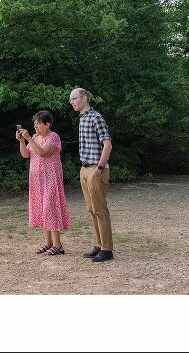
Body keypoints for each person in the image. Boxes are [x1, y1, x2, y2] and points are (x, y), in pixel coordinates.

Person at [16, 110, 71, 256]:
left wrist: (29, 139)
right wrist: (22, 141)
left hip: (51, 177)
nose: (36, 126)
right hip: (37, 179)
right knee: (41, 208)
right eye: (34, 123)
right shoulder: (34, 137)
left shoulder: (53, 137)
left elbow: (42, 153)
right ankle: (48, 243)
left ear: (48, 124)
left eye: (39, 123)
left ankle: (58, 245)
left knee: (50, 208)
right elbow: (25, 154)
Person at [69, 88, 114, 262]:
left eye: (74, 98)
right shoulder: (82, 119)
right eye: (70, 100)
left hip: (97, 169)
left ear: (84, 98)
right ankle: (99, 245)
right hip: (85, 168)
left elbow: (108, 145)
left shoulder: (96, 117)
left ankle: (107, 249)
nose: (71, 102)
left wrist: (100, 168)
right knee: (91, 209)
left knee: (100, 209)